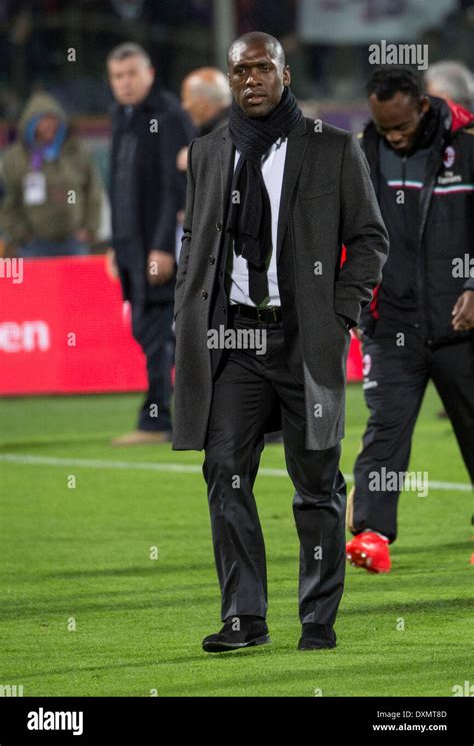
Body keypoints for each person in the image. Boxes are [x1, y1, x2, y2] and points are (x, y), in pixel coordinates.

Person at [173, 32, 388, 652]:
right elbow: (197, 239)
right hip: (234, 339)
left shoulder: (333, 148)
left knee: (316, 481)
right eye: (241, 71)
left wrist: (341, 314)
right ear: (231, 78)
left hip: (303, 338)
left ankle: (317, 617)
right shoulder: (210, 151)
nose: (252, 80)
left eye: (263, 68)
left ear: (285, 76)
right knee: (225, 470)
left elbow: (370, 239)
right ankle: (245, 616)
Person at [346, 68, 474, 574]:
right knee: (386, 428)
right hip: (389, 320)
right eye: (384, 127)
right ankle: (372, 534)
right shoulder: (364, 152)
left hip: (460, 324)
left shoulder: (466, 147)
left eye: (401, 126)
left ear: (423, 106)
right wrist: (355, 305)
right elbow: (347, 233)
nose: (393, 136)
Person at [106, 42, 193, 446]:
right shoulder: (120, 117)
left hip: (156, 245)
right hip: (129, 242)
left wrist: (162, 247)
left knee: (159, 333)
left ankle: (157, 419)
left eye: (131, 75)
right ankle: (167, 414)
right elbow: (119, 185)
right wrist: (116, 244)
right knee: (148, 331)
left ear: (150, 73)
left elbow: (174, 187)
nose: (124, 83)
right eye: (117, 76)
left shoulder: (168, 116)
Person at [1, 92, 102, 257]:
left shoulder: (76, 151)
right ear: (31, 123)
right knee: (36, 284)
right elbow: (7, 201)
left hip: (74, 243)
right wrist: (22, 234)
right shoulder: (15, 159)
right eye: (43, 120)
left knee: (75, 283)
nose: (49, 125)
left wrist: (89, 228)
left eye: (53, 119)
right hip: (32, 247)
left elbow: (93, 192)